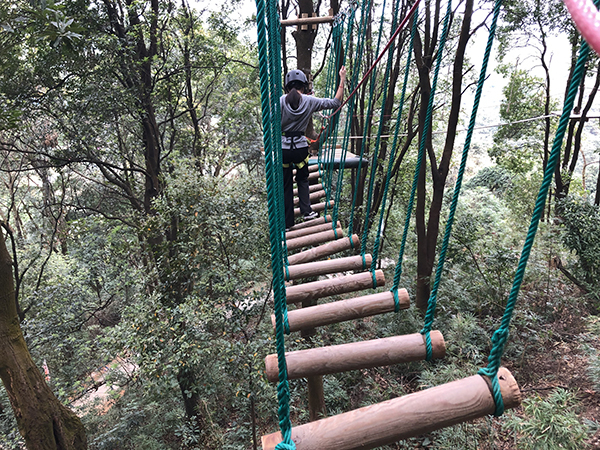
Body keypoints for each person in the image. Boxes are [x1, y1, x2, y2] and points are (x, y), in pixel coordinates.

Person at [281, 66, 346, 230]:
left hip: (283, 150)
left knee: (286, 185)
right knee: (302, 179)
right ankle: (307, 211)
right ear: (304, 86)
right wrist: (342, 79)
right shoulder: (310, 101)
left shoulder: (279, 101)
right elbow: (335, 102)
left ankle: (288, 223)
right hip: (301, 149)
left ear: (287, 87)